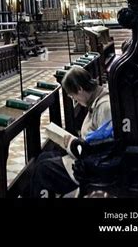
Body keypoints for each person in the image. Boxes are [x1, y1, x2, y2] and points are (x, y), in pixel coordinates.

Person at [27, 66, 112, 198]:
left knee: (42, 169)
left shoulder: (104, 106)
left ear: (80, 89)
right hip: (85, 156)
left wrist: (73, 144)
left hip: (91, 167)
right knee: (44, 157)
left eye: (74, 96)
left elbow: (104, 149)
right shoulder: (96, 99)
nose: (75, 100)